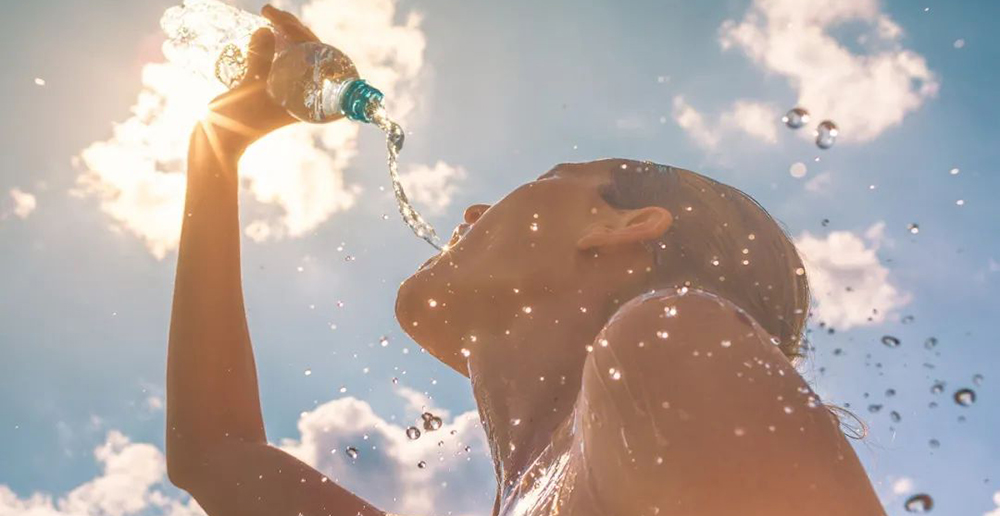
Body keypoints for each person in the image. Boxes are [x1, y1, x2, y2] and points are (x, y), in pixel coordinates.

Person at [165, 5, 888, 516]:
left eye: (546, 179)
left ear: (624, 225)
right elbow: (214, 454)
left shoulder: (669, 341)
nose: (474, 212)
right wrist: (218, 151)